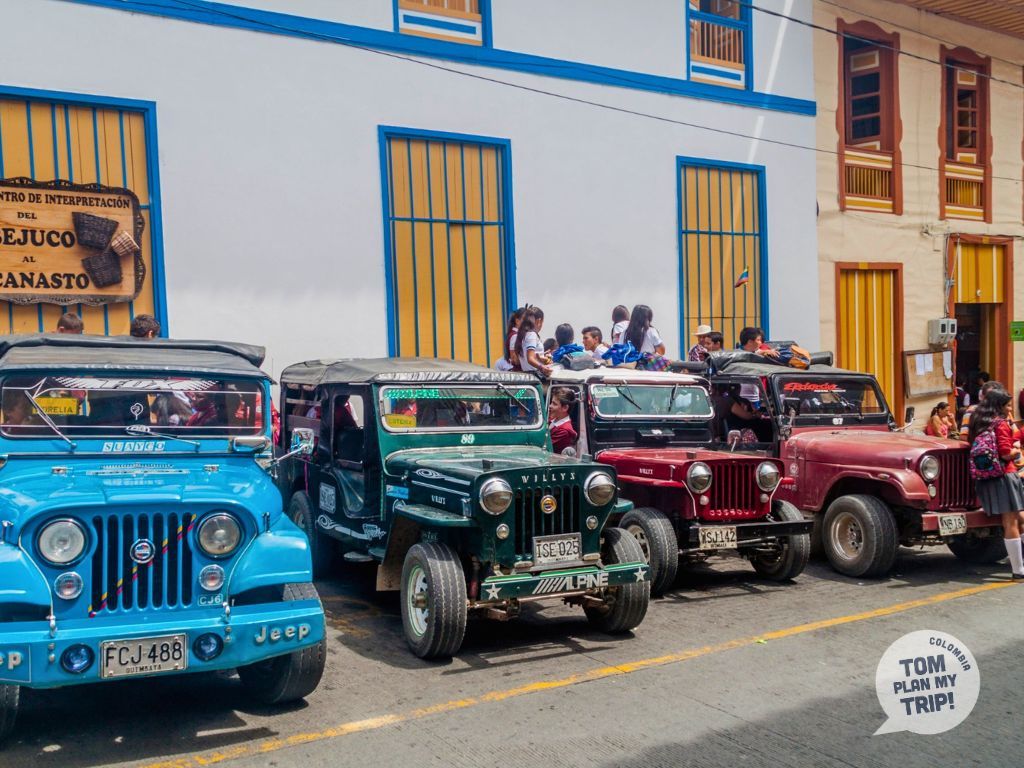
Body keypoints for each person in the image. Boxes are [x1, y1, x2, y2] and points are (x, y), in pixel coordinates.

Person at [967, 388, 1024, 579]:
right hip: (1005, 476)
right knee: (1011, 522)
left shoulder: (978, 422)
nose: (1010, 409)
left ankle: (1019, 567)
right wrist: (1017, 451)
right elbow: (1006, 453)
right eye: (1007, 405)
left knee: (1017, 520)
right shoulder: (1000, 425)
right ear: (999, 406)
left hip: (989, 477)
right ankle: (1018, 570)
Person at [516, 308, 552, 376]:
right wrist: (542, 367)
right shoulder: (531, 335)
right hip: (535, 374)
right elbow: (530, 358)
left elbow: (529, 355)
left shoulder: (525, 334)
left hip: (529, 374)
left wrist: (540, 356)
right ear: (539, 321)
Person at [548, 388, 578, 454]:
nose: (550, 406)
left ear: (565, 408)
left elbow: (545, 446)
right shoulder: (553, 419)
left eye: (554, 404)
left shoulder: (564, 431)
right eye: (551, 403)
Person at [496, 307, 526, 371]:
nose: (527, 323)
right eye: (525, 320)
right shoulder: (515, 336)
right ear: (517, 321)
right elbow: (513, 359)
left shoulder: (516, 334)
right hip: (514, 370)